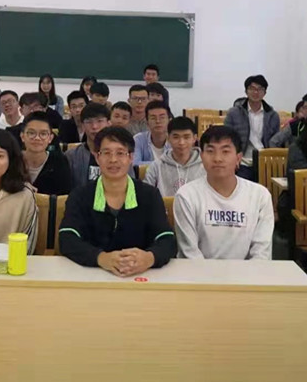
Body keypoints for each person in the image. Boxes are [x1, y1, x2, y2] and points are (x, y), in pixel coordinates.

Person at [59, 126, 176, 275]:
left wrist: (149, 258)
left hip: (140, 276)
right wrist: (101, 258)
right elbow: (67, 237)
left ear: (131, 157)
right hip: (92, 275)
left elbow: (167, 238)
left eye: (120, 153)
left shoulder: (149, 195)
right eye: (106, 153)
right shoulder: (80, 195)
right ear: (97, 157)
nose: (113, 160)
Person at [174, 126, 273, 260]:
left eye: (225, 151)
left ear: (238, 158)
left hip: (247, 272)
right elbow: (190, 253)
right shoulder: (186, 196)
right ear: (202, 156)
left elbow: (261, 253)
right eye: (210, 151)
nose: (217, 158)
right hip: (198, 272)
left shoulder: (260, 196)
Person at [224, 75, 280, 180]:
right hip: (242, 160)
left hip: (265, 160)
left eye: (260, 89)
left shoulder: (272, 115)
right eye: (252, 88)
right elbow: (227, 137)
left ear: (265, 92)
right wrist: (234, 155)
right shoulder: (234, 113)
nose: (256, 92)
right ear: (246, 91)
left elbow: (276, 140)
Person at [144, 116, 205, 197]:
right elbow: (146, 195)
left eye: (186, 137)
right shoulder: (156, 166)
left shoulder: (205, 165)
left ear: (194, 138)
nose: (181, 142)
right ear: (168, 138)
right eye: (176, 137)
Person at [20, 112, 72, 195]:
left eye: (43, 134)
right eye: (31, 133)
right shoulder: (12, 160)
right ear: (22, 136)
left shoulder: (59, 161)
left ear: (50, 138)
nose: (37, 138)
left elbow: (65, 195)